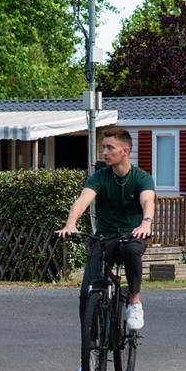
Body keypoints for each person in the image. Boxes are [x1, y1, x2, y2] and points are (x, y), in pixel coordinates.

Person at [56, 127, 155, 335]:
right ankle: (90, 348)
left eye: (110, 148)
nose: (105, 152)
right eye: (103, 148)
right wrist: (70, 223)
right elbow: (83, 200)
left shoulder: (141, 178)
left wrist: (146, 223)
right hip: (104, 236)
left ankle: (134, 301)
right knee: (86, 293)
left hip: (132, 234)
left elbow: (148, 200)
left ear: (125, 151)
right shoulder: (99, 177)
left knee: (130, 251)